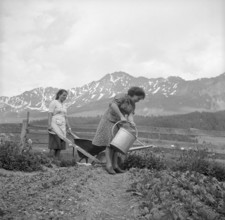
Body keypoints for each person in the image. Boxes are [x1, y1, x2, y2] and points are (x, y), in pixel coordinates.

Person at [92, 86, 145, 174]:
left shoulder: (132, 104)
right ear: (133, 94)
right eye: (138, 98)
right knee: (110, 143)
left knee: (117, 144)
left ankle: (115, 165)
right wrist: (121, 115)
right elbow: (113, 105)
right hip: (109, 120)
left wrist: (131, 122)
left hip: (119, 123)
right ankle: (109, 165)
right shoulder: (121, 96)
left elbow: (131, 114)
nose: (138, 100)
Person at [48, 89, 74, 159]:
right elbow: (50, 114)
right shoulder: (54, 102)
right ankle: (51, 160)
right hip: (55, 125)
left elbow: (66, 117)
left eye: (66, 96)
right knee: (55, 143)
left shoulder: (64, 105)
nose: (65, 97)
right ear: (59, 95)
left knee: (60, 143)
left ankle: (57, 160)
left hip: (62, 126)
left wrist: (69, 127)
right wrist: (49, 125)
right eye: (64, 95)